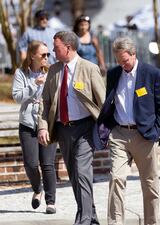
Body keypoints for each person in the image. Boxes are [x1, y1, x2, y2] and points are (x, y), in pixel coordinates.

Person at [94, 37, 160, 225]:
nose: (122, 64)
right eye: (119, 61)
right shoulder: (113, 74)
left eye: (125, 60)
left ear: (134, 54)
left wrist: (157, 132)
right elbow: (109, 102)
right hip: (119, 134)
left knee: (150, 183)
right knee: (116, 178)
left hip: (144, 135)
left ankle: (151, 222)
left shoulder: (152, 73)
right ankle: (115, 223)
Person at [38, 31, 105, 225]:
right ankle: (91, 217)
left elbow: (102, 102)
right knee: (75, 176)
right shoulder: (53, 70)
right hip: (63, 129)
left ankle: (83, 221)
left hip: (85, 128)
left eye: (56, 47)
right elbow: (46, 101)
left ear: (68, 47)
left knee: (82, 171)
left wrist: (107, 131)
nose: (52, 51)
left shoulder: (89, 68)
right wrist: (42, 127)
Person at [12, 41, 57, 214]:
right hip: (27, 124)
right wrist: (34, 85)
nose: (47, 57)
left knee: (47, 164)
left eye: (48, 54)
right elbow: (16, 97)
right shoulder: (21, 73)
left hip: (47, 123)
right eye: (43, 55)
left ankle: (51, 202)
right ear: (32, 56)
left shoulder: (52, 72)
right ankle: (38, 189)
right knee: (30, 164)